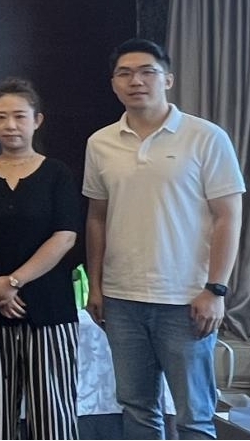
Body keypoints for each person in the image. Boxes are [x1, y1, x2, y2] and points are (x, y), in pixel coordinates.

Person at [84, 38, 245, 439]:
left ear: (168, 80)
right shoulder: (100, 143)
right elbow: (97, 218)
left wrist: (216, 289)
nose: (135, 81)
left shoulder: (206, 137)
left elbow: (229, 216)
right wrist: (97, 286)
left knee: (195, 415)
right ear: (114, 84)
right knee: (136, 408)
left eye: (147, 72)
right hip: (122, 300)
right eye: (124, 73)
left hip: (187, 299)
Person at [0, 78, 82, 440]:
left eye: (19, 116)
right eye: (1, 117)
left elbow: (64, 237)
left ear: (37, 120)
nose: (10, 125)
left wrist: (14, 282)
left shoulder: (57, 174)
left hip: (50, 307)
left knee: (53, 412)